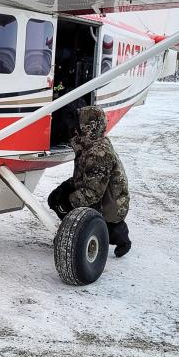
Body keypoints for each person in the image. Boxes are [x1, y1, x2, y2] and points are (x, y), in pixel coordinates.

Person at [47, 105, 132, 257]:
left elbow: (93, 193)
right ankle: (77, 229)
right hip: (97, 191)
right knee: (56, 198)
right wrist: (66, 188)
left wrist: (68, 201)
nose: (75, 127)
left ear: (88, 127)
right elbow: (86, 177)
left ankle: (119, 235)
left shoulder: (99, 153)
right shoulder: (89, 143)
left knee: (72, 208)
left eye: (79, 123)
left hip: (110, 204)